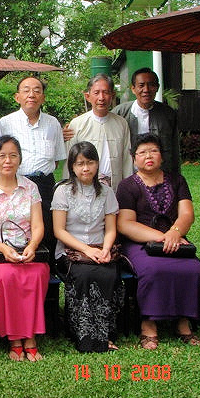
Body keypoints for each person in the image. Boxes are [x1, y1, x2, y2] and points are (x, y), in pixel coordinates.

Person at [116, 133, 200, 350]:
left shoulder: (177, 180)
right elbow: (125, 224)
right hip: (141, 243)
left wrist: (175, 232)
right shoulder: (127, 186)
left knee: (193, 268)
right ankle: (148, 323)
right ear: (134, 158)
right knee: (154, 269)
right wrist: (163, 237)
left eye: (153, 151)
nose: (148, 156)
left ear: (162, 156)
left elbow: (187, 214)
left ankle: (183, 321)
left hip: (176, 238)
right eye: (142, 152)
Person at [0, 135, 50, 361]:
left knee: (37, 274)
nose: (8, 161)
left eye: (13, 155)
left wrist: (33, 246)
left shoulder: (30, 187)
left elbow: (38, 226)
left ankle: (30, 337)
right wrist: (4, 250)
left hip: (26, 249)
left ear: (19, 159)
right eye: (2, 156)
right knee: (6, 277)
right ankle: (16, 339)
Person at [52, 141, 123, 353]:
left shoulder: (106, 192)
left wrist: (106, 249)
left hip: (101, 249)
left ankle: (105, 333)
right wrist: (86, 250)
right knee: (84, 275)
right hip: (70, 252)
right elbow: (59, 231)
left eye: (90, 162)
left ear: (97, 164)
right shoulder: (63, 192)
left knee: (109, 274)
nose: (85, 168)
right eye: (80, 163)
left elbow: (110, 229)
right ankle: (83, 334)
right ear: (72, 167)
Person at [0, 76, 67, 257]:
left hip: (45, 185)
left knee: (47, 229)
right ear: (17, 97)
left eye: (37, 91)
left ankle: (47, 268)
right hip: (17, 184)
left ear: (43, 97)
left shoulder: (53, 123)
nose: (32, 95)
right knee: (18, 228)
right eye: (26, 90)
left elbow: (57, 159)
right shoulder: (5, 123)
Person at [63, 74, 132, 191]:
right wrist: (68, 187)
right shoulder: (77, 124)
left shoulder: (121, 123)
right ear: (87, 96)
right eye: (96, 93)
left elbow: (127, 160)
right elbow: (70, 161)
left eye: (106, 92)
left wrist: (128, 188)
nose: (101, 97)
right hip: (85, 187)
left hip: (115, 187)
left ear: (113, 95)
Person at [113, 68, 180, 174]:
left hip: (160, 174)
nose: (146, 90)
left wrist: (175, 177)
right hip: (129, 174)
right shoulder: (120, 113)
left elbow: (174, 149)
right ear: (133, 88)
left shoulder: (167, 114)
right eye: (141, 85)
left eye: (151, 85)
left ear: (157, 87)